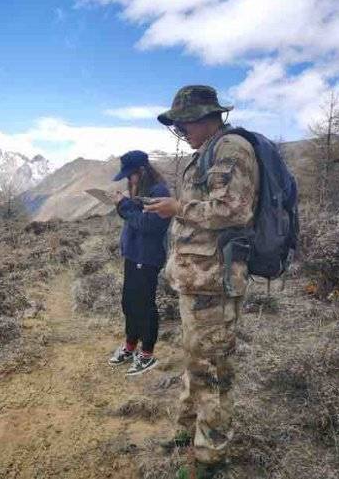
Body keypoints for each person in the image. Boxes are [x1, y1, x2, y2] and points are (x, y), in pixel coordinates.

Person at [144, 85, 259, 477]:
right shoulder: (206, 153)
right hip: (198, 281)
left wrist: (178, 207)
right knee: (196, 362)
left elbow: (234, 209)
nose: (180, 131)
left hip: (215, 283)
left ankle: (210, 459)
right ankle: (187, 432)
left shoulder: (230, 149)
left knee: (212, 371)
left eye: (184, 123)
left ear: (204, 117)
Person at [108, 150, 171, 377]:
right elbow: (135, 219)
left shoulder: (159, 192)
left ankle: (147, 354)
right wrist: (125, 203)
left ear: (142, 171)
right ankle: (130, 345)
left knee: (145, 306)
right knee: (129, 303)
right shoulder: (140, 189)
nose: (128, 179)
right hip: (133, 254)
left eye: (130, 175)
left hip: (148, 257)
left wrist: (124, 205)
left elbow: (150, 225)